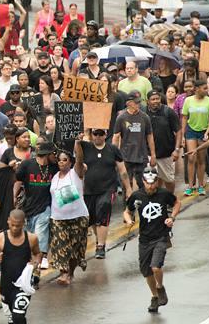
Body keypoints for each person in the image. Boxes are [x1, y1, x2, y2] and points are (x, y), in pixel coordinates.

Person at [123, 167, 180, 313]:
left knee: (156, 266)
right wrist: (129, 220)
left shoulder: (163, 194)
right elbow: (127, 211)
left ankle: (160, 287)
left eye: (153, 183)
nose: (150, 186)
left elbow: (176, 203)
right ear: (143, 181)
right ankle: (155, 297)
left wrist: (171, 217)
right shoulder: (137, 196)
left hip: (161, 236)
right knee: (147, 272)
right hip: (144, 239)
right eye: (147, 183)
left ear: (157, 182)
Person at [78, 129, 131, 258]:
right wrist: (78, 141)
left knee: (103, 210)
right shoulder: (85, 147)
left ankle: (100, 246)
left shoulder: (113, 149)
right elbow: (78, 160)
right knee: (94, 219)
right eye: (95, 134)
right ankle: (99, 239)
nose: (98, 137)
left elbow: (122, 170)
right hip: (89, 190)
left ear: (105, 135)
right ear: (91, 135)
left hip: (108, 189)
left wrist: (128, 188)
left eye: (101, 134)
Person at [14, 142, 56, 270]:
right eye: (53, 153)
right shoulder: (27, 164)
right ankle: (32, 258)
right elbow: (18, 181)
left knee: (41, 230)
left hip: (46, 205)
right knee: (30, 234)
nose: (55, 156)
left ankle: (42, 257)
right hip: (29, 206)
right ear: (47, 154)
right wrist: (14, 198)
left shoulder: (54, 167)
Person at [50, 149, 88, 286]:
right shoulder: (54, 177)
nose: (61, 162)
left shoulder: (75, 173)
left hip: (78, 217)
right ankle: (64, 273)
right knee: (61, 245)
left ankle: (70, 272)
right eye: (59, 160)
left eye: (65, 159)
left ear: (70, 162)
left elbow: (80, 160)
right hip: (58, 218)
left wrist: (78, 144)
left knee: (74, 248)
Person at [181, 79, 209, 196]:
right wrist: (183, 134)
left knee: (202, 159)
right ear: (196, 89)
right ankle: (190, 186)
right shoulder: (188, 100)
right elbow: (184, 118)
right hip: (191, 130)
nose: (207, 90)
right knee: (192, 158)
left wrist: (207, 132)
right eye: (204, 88)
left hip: (203, 131)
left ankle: (201, 185)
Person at [145, 90, 181, 192]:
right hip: (149, 154)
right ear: (148, 101)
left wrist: (177, 150)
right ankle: (156, 201)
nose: (155, 101)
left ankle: (170, 200)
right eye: (153, 99)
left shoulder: (168, 112)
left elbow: (178, 131)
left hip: (167, 154)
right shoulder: (144, 113)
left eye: (157, 98)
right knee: (151, 181)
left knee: (169, 180)